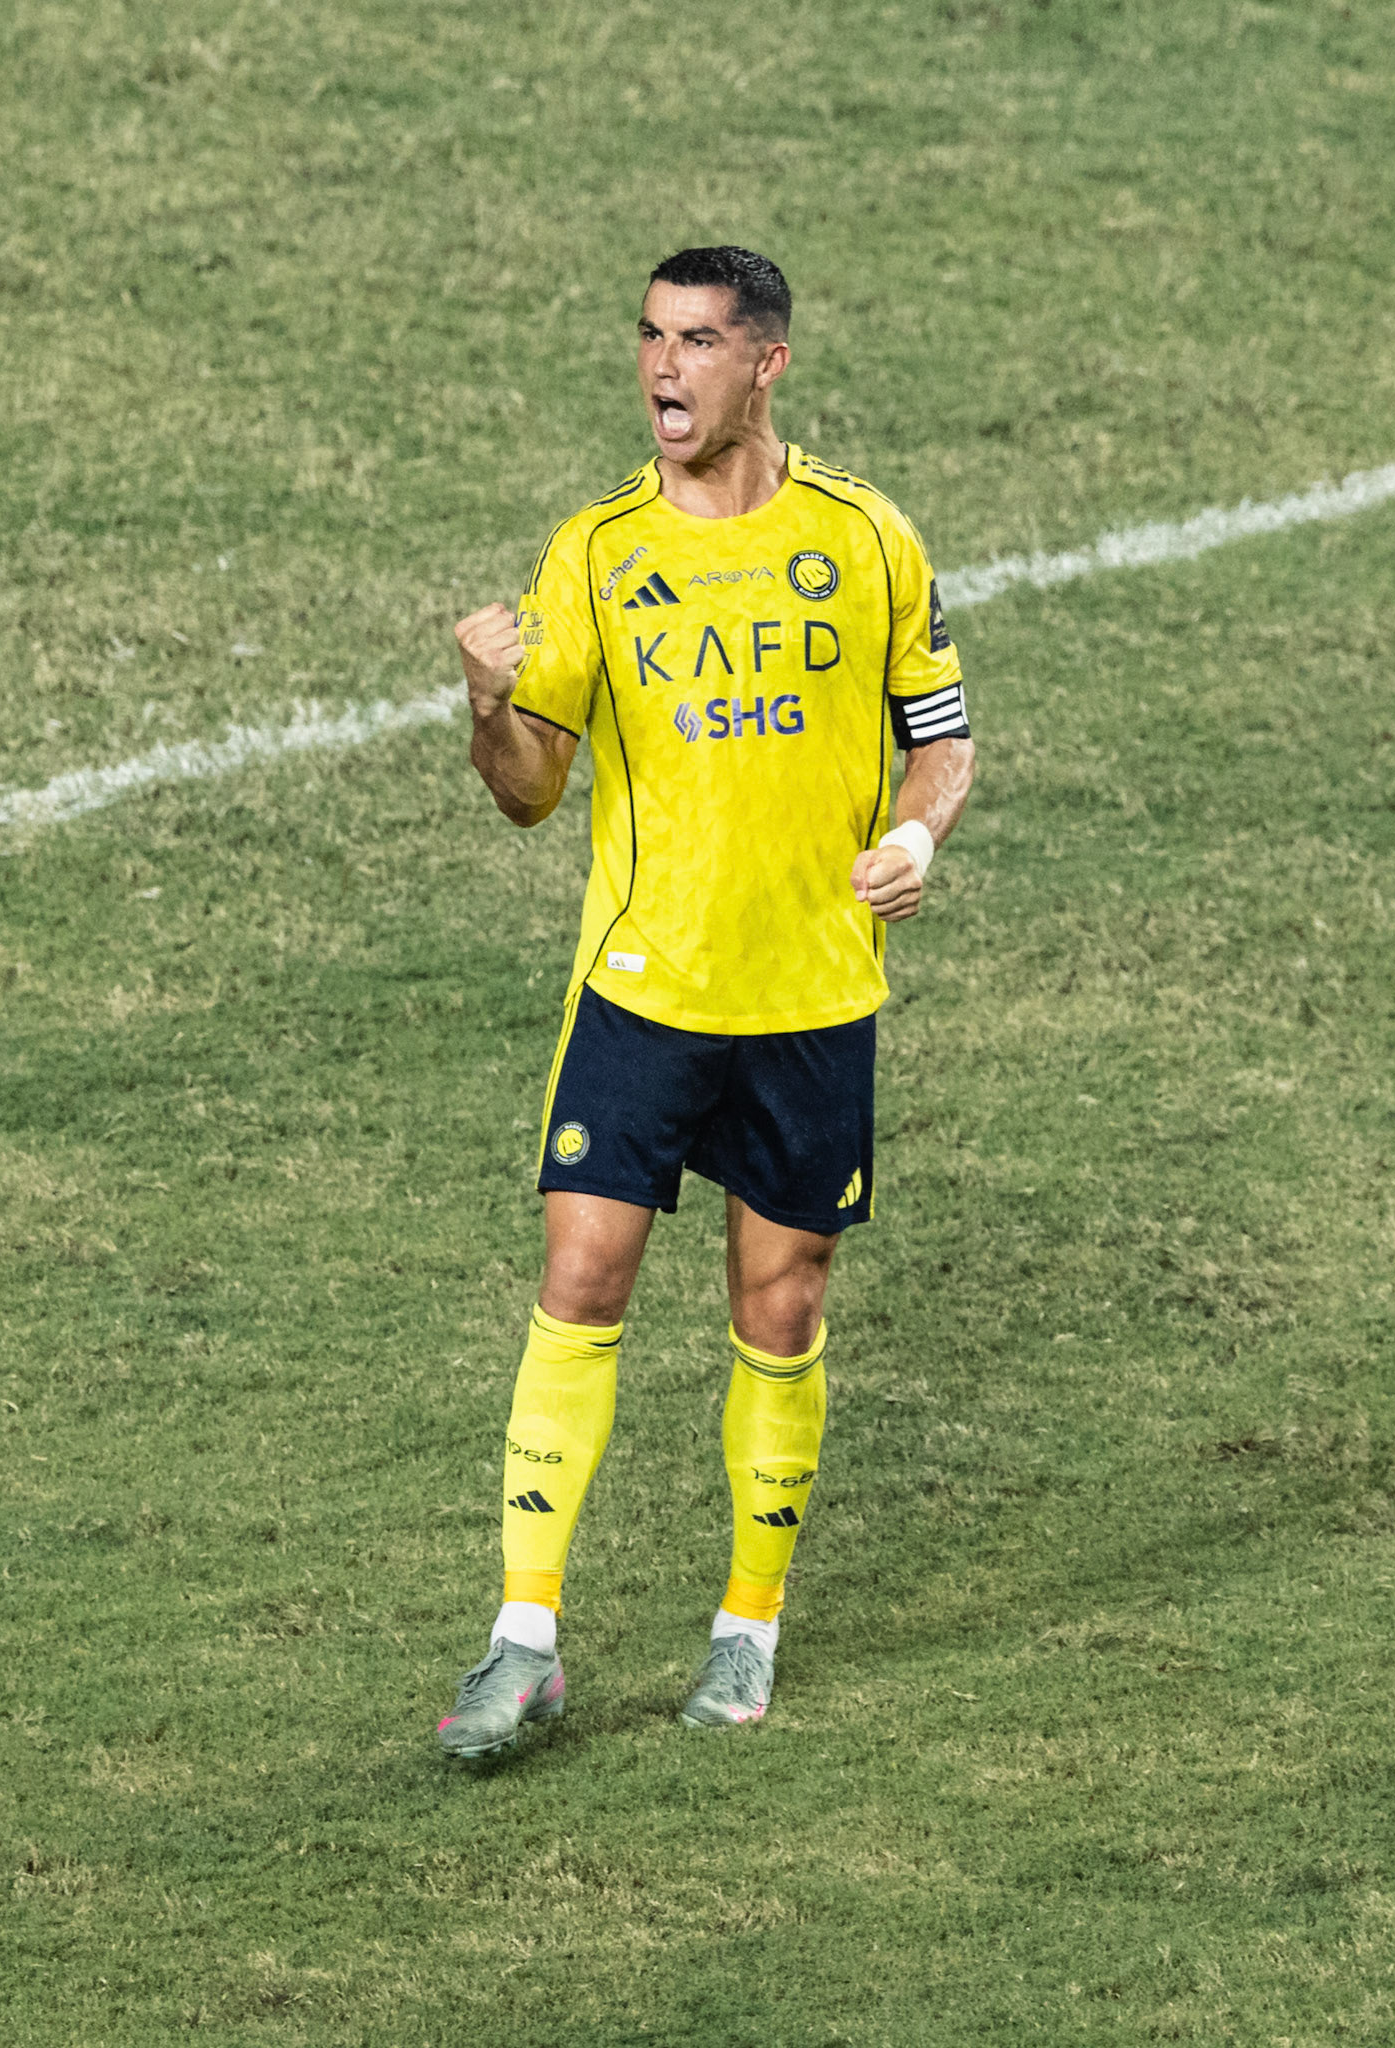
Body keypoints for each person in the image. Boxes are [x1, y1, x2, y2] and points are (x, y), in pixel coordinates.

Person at [438, 245, 975, 1759]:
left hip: (809, 994)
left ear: (767, 365)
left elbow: (941, 737)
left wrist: (917, 834)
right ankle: (522, 1639)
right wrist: (488, 701)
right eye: (649, 340)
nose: (663, 372)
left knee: (779, 1307)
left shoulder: (866, 538)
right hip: (643, 986)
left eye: (697, 344)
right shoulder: (596, 551)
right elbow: (531, 795)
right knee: (581, 1281)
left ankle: (746, 1630)